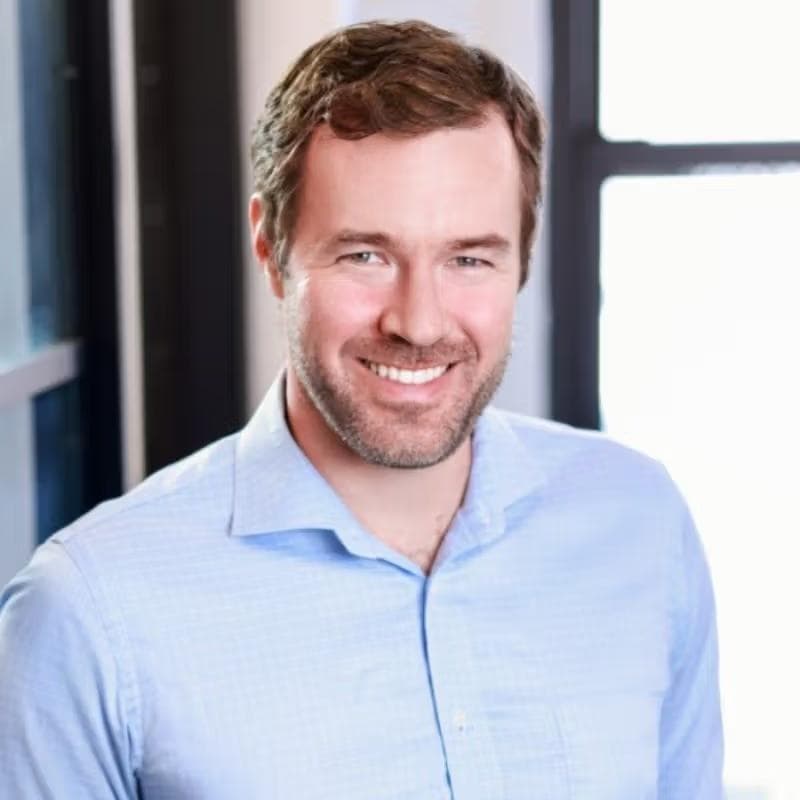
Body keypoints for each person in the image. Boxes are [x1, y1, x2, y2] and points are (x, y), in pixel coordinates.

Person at [0, 19, 723, 799]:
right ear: (271, 249)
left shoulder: (641, 522)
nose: (418, 321)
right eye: (365, 256)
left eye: (469, 258)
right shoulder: (87, 609)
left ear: (523, 257)